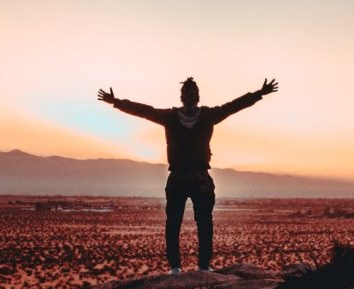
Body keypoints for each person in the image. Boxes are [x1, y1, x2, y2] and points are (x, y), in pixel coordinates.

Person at [98, 77, 278, 274]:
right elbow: (234, 106)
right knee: (203, 223)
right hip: (199, 178)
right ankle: (202, 267)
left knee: (175, 223)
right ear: (197, 97)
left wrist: (116, 102)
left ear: (182, 97)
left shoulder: (171, 117)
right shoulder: (207, 115)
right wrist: (259, 93)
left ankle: (176, 268)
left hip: (179, 177)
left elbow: (144, 111)